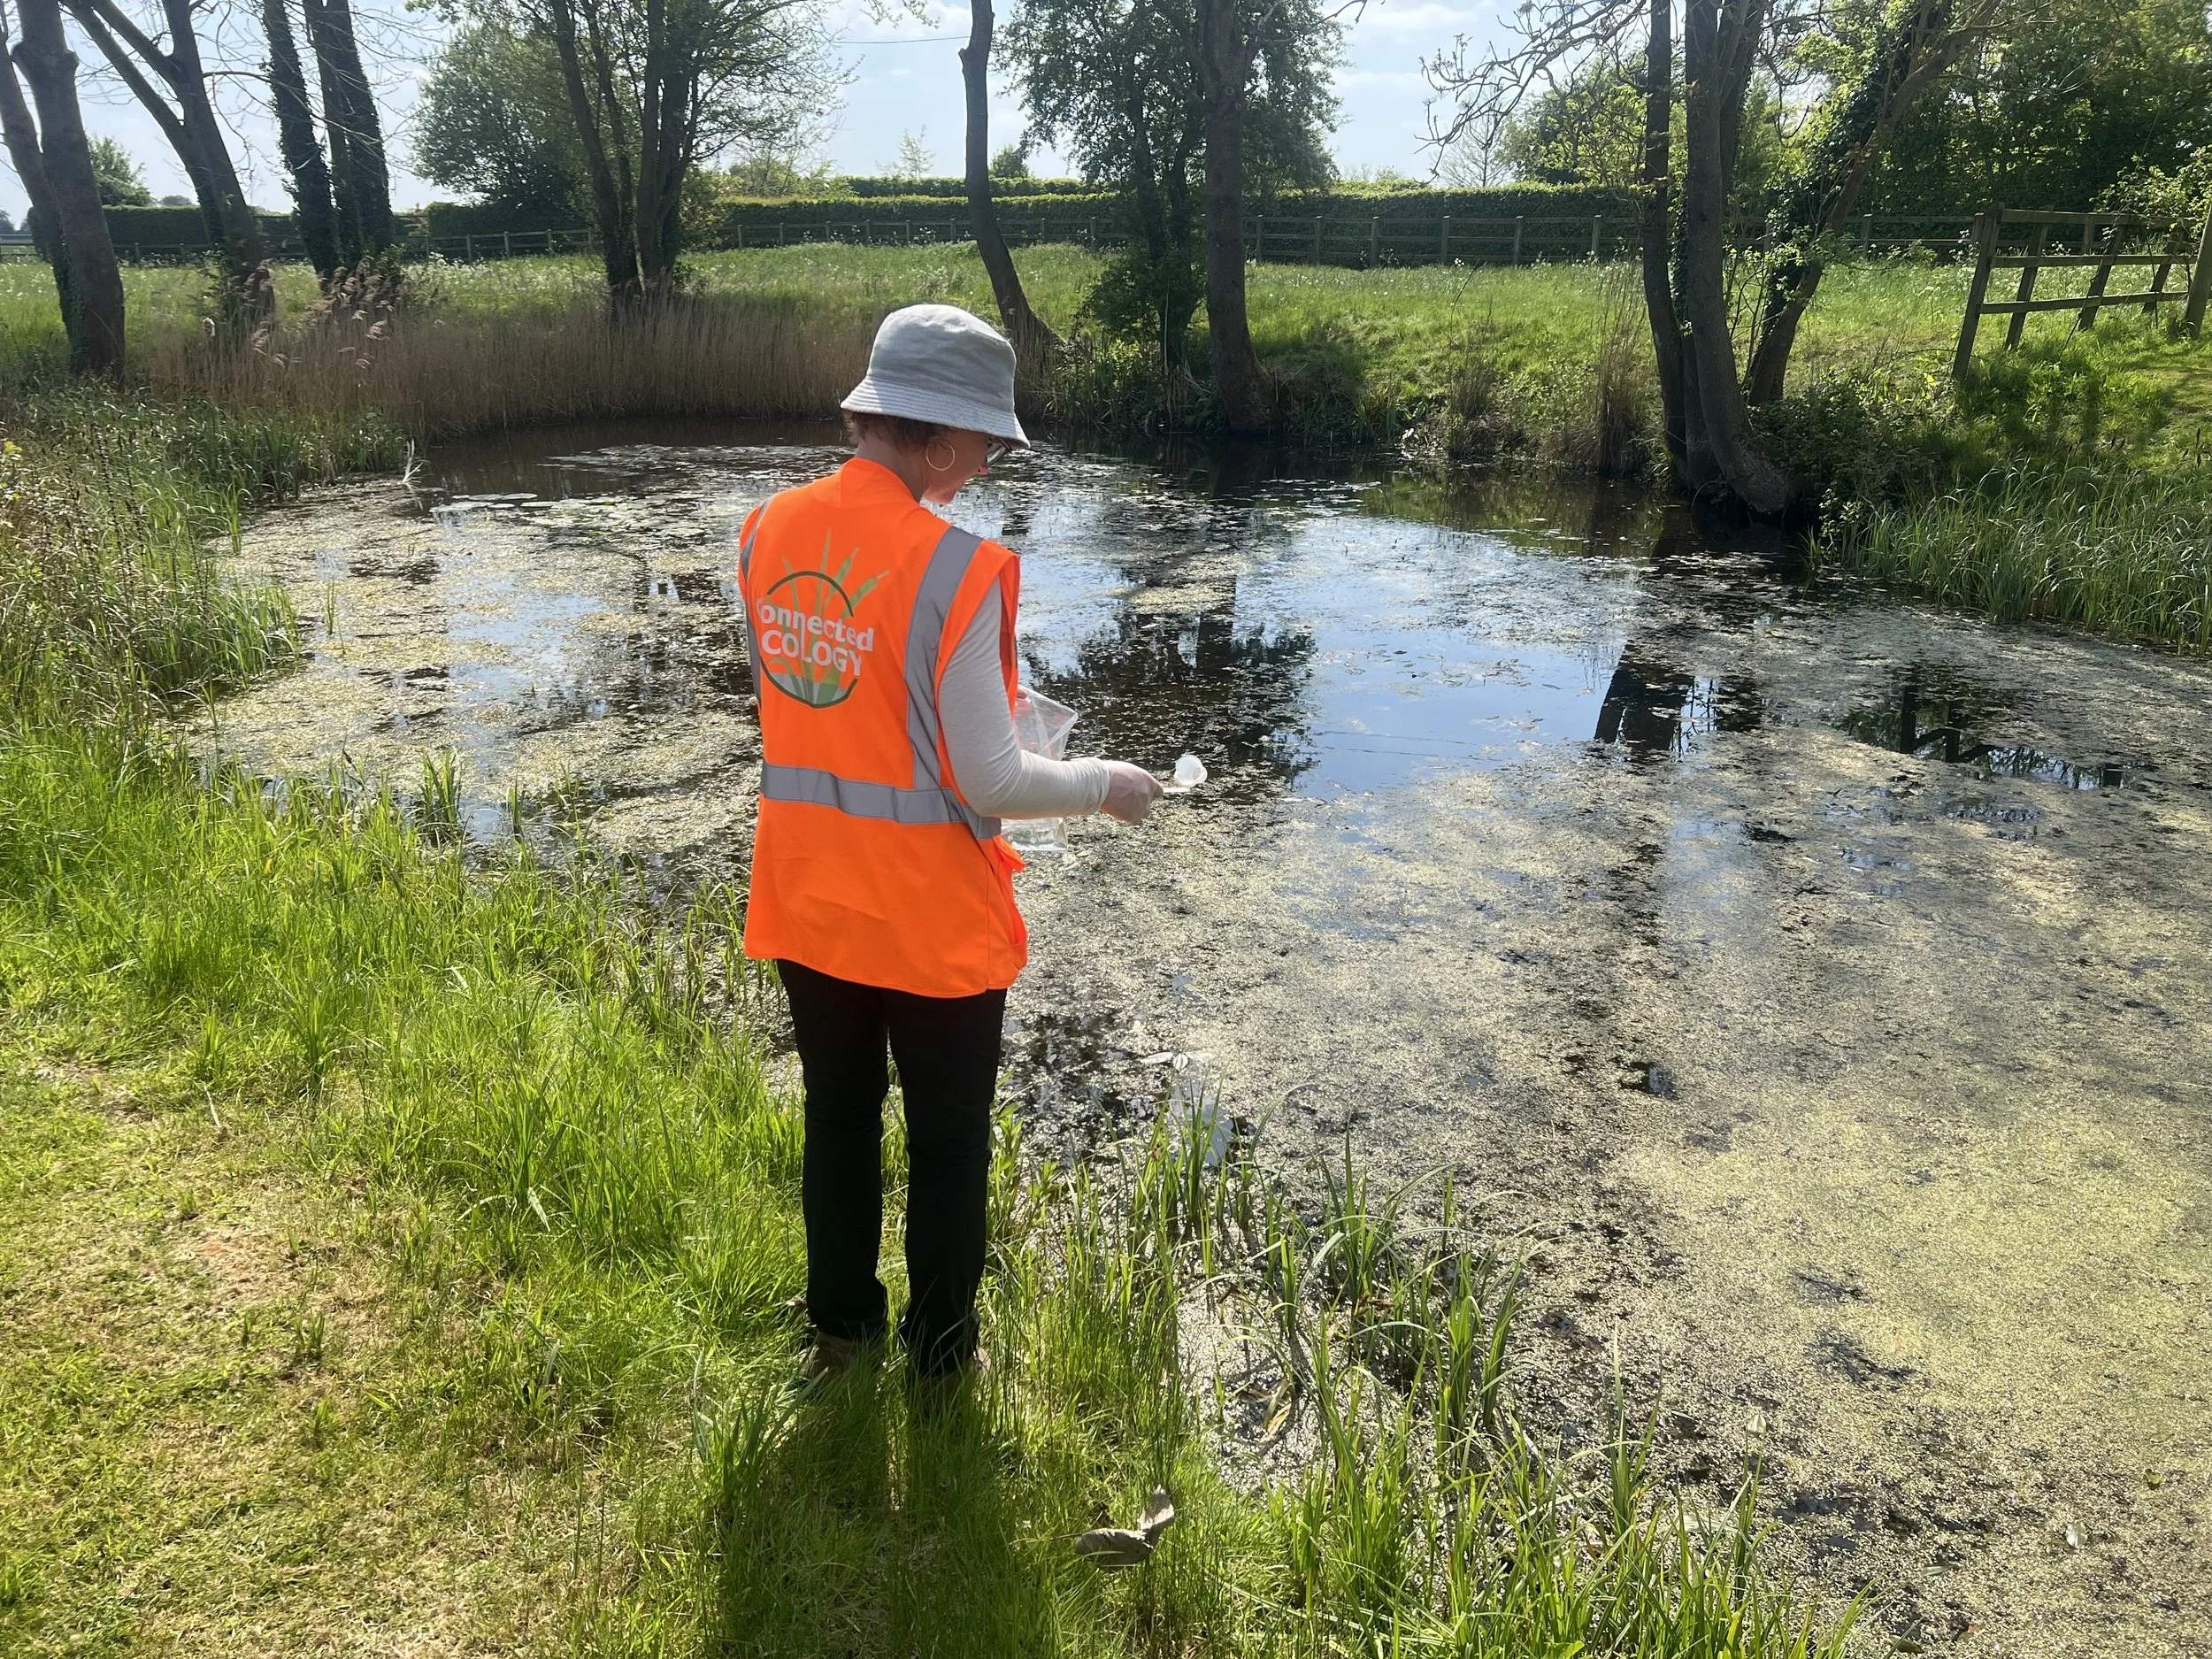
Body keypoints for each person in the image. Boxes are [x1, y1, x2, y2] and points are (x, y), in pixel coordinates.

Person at [735, 303, 1164, 1391]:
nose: (985, 463)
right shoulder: (959, 569)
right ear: (928, 432)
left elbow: (824, 710)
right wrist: (1106, 786)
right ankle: (938, 1362)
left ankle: (838, 1334)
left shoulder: (764, 530)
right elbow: (991, 780)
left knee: (836, 1120)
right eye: (981, 441)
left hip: (808, 894)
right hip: (926, 918)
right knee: (947, 1146)